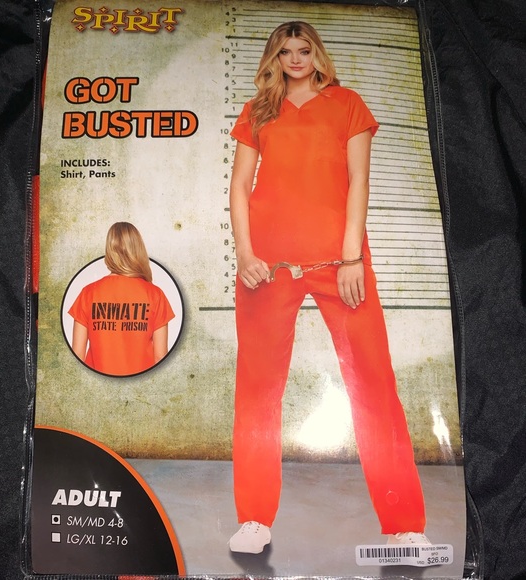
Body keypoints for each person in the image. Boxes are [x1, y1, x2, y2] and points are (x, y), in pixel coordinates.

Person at [228, 21, 429, 554]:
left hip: (341, 262)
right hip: (266, 264)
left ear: (318, 54)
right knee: (257, 390)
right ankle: (254, 520)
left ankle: (403, 524)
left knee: (374, 383)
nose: (295, 59)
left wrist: (351, 257)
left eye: (304, 49)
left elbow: (359, 180)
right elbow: (240, 186)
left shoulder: (347, 104)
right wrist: (245, 254)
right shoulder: (259, 110)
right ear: (274, 58)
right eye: (285, 51)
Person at [68, 222, 174, 376]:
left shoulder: (88, 293)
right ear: (138, 249)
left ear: (109, 250)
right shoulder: (155, 295)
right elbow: (160, 358)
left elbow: (77, 357)